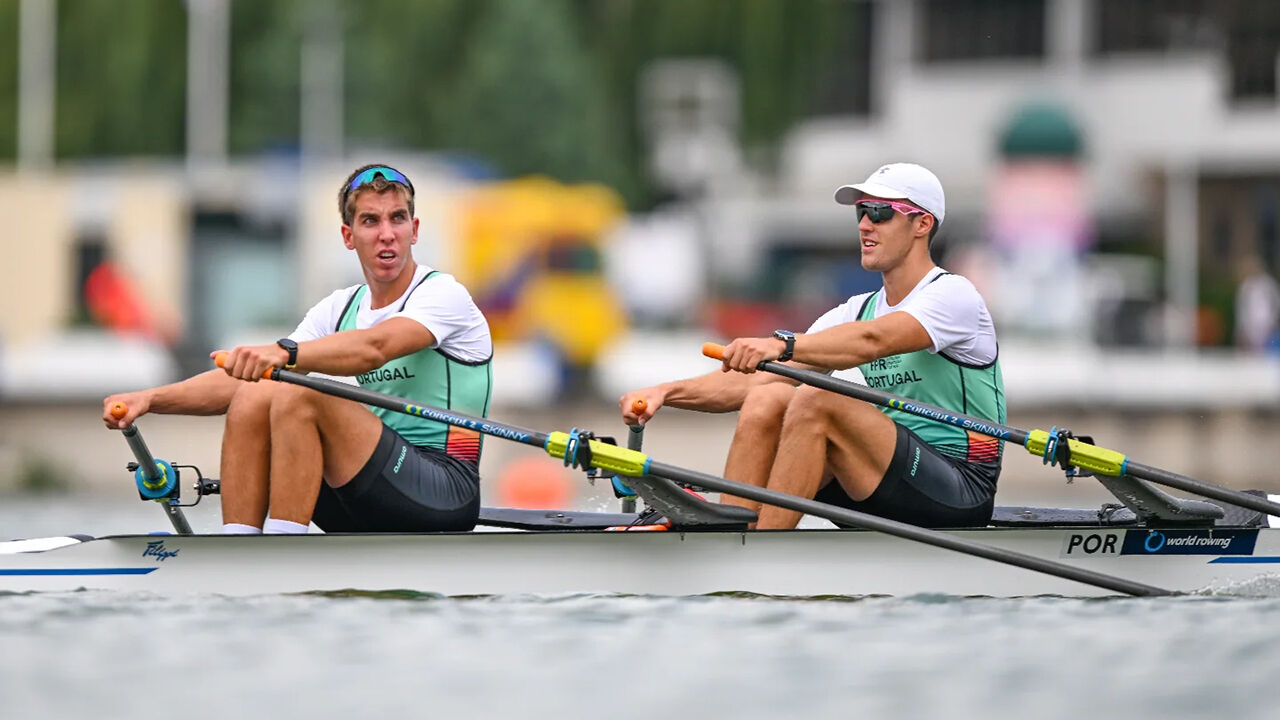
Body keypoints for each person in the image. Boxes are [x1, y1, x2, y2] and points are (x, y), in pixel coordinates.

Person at [103, 164, 493, 534]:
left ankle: (281, 549)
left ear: (415, 229)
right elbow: (240, 382)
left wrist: (285, 353)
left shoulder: (444, 295)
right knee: (257, 392)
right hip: (371, 489)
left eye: (398, 218)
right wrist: (149, 399)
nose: (387, 234)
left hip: (443, 491)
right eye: (371, 221)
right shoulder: (338, 309)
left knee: (297, 394)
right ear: (348, 236)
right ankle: (240, 548)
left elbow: (376, 347)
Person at [620, 163, 1004, 530]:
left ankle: (762, 550)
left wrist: (783, 345)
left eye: (880, 212)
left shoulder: (954, 295)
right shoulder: (857, 311)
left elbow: (874, 340)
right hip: (887, 476)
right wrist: (665, 392)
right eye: (861, 212)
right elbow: (752, 382)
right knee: (768, 397)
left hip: (960, 486)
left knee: (816, 399)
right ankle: (736, 529)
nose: (865, 224)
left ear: (922, 224)